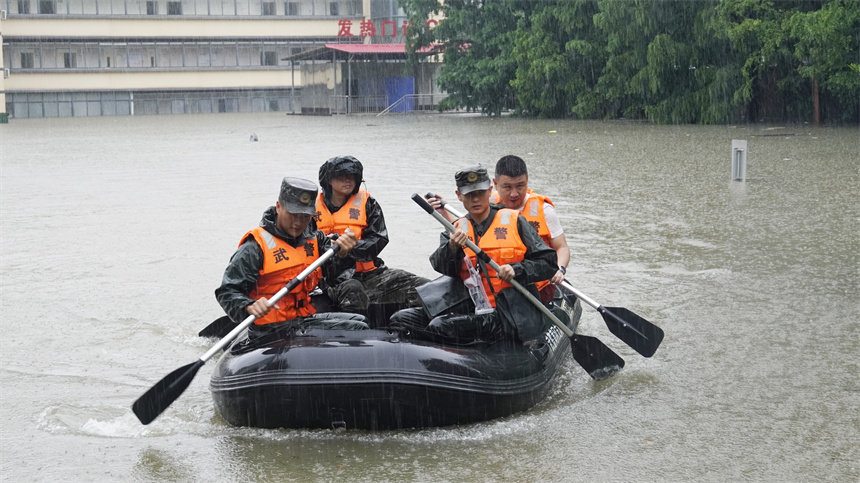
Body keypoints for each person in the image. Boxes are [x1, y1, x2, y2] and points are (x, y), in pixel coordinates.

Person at [390, 164, 559, 344]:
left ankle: (459, 344)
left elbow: (549, 263)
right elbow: (440, 266)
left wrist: (517, 269)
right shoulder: (456, 228)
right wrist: (452, 248)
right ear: (459, 195)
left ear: (490, 191)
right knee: (401, 319)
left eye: (480, 193)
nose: (476, 199)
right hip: (471, 305)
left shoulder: (515, 221)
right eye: (470, 194)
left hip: (508, 312)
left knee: (441, 326)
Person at [215, 176, 369, 338]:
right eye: (293, 214)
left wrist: (343, 253)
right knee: (356, 329)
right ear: (278, 207)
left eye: (304, 216)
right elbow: (227, 292)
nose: (298, 222)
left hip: (301, 320)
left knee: (361, 321)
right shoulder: (254, 247)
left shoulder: (315, 238)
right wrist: (248, 306)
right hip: (269, 329)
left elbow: (334, 279)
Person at [315, 155, 429, 325]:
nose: (348, 180)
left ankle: (420, 328)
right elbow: (302, 244)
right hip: (332, 280)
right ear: (328, 180)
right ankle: (361, 331)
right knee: (353, 288)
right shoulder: (310, 208)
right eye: (341, 175)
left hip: (371, 275)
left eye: (352, 175)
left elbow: (379, 239)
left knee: (425, 287)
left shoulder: (368, 203)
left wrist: (352, 247)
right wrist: (332, 249)